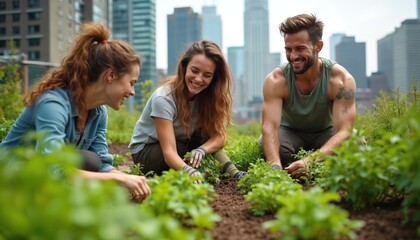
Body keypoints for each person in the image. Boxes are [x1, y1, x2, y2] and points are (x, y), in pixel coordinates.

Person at [0, 22, 150, 201]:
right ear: (110, 75)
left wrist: (125, 181)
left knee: (91, 160)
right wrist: (118, 178)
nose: (132, 92)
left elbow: (101, 162)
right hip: (10, 176)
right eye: (131, 83)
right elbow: (53, 169)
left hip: (40, 177)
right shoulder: (53, 104)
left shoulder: (98, 113)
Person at [129, 40, 246, 182]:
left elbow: (220, 137)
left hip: (181, 144)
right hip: (146, 153)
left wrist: (202, 150)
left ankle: (236, 174)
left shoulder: (207, 98)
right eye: (194, 71)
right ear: (185, 67)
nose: (198, 79)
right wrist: (190, 171)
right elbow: (169, 152)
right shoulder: (164, 98)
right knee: (189, 146)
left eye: (207, 75)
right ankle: (188, 169)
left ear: (214, 78)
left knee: (203, 140)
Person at [260, 13, 356, 178]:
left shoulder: (341, 80)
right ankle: (295, 166)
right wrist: (275, 168)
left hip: (326, 131)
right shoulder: (276, 80)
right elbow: (269, 127)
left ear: (318, 46)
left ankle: (310, 163)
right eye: (288, 50)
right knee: (271, 147)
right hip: (289, 133)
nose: (293, 56)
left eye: (300, 48)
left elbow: (345, 130)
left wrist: (311, 160)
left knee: (356, 144)